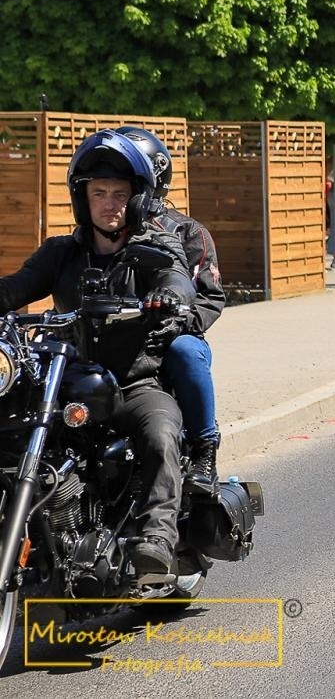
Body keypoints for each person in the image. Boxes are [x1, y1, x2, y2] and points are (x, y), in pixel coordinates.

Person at [0, 131, 197, 579]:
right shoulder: (61, 253)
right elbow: (15, 288)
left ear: (140, 200)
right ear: (82, 197)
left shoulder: (151, 251)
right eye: (99, 193)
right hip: (67, 381)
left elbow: (176, 276)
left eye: (120, 194)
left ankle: (157, 538)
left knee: (161, 432)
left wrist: (169, 295)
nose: (110, 203)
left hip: (133, 383)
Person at [115, 127, 227, 493]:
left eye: (129, 181)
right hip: (114, 336)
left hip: (171, 337)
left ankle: (203, 449)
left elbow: (211, 297)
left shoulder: (188, 231)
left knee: (185, 352)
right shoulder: (102, 231)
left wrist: (180, 322)